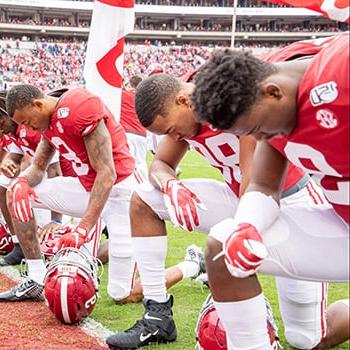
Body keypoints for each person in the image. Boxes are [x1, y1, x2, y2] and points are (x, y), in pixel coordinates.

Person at [106, 70, 349, 349]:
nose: (174, 137)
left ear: (185, 100)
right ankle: (157, 314)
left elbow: (254, 186)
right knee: (145, 198)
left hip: (286, 204)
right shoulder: (180, 105)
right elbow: (159, 166)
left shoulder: (229, 99)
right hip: (237, 197)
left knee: (307, 339)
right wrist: (170, 184)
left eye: (172, 129)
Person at [190, 34, 349, 349]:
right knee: (222, 245)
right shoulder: (268, 92)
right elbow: (263, 184)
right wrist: (247, 225)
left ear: (273, 92)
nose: (261, 138)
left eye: (257, 129)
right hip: (343, 226)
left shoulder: (340, 70)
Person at [0, 85, 135, 304]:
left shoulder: (79, 106)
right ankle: (36, 276)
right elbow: (38, 168)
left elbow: (107, 174)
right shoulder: (48, 121)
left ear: (37, 104)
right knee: (15, 192)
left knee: (121, 294)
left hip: (118, 192)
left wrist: (82, 228)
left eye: (26, 122)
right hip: (84, 189)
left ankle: (190, 265)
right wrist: (23, 182)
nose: (28, 129)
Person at [0, 91, 63, 266]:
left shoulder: (32, 129)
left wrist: (55, 220)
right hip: (39, 173)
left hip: (62, 177)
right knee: (3, 185)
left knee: (52, 247)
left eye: (1, 122)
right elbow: (14, 155)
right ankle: (18, 243)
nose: (1, 129)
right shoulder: (15, 130)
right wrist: (7, 164)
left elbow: (54, 170)